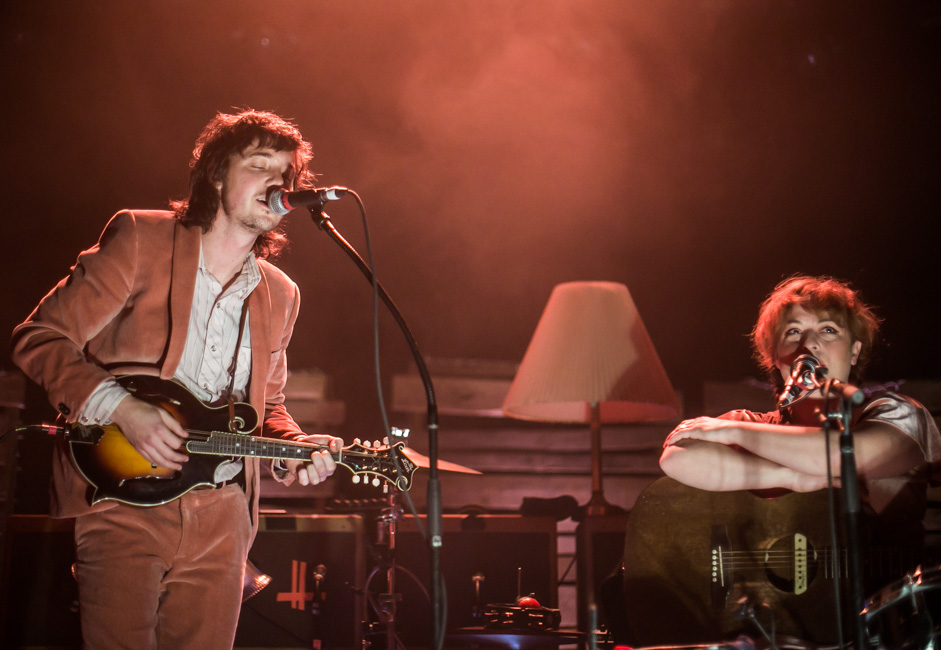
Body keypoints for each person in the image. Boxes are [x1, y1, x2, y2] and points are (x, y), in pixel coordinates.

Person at [11, 109, 342, 649]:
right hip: (120, 498)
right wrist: (122, 407)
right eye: (260, 165)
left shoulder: (280, 294)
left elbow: (269, 408)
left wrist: (294, 450)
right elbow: (39, 337)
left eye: (286, 173)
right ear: (216, 175)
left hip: (224, 515)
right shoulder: (143, 238)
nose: (278, 183)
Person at [660, 275, 940, 546]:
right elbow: (675, 458)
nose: (808, 345)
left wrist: (733, 431)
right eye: (793, 332)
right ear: (775, 357)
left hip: (883, 592)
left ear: (854, 352)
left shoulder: (899, 413)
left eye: (828, 329)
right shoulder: (754, 424)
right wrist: (790, 478)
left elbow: (845, 455)